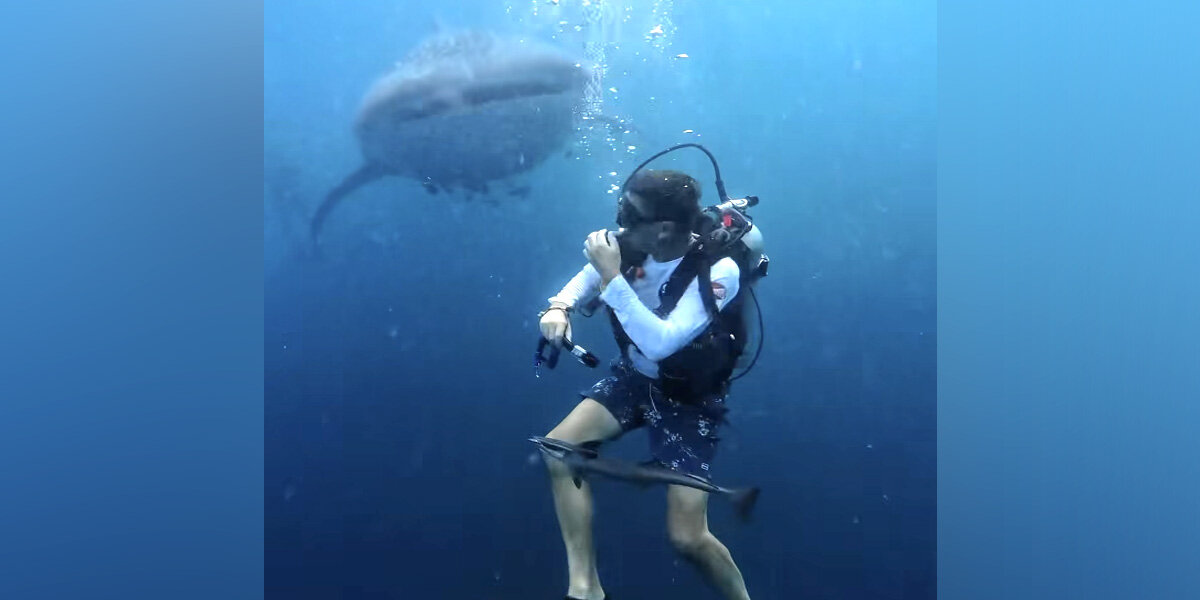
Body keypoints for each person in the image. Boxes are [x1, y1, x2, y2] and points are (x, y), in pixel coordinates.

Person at [538, 169, 754, 600]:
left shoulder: (719, 269)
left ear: (665, 229)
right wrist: (560, 306)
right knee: (557, 449)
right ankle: (585, 589)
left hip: (690, 399)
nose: (619, 224)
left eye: (629, 215)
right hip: (635, 378)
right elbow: (583, 281)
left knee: (688, 538)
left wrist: (612, 276)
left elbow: (661, 342)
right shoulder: (634, 245)